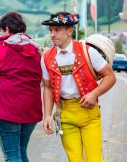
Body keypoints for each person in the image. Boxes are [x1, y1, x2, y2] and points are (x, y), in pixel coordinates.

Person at [41, 12, 116, 162]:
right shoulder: (46, 57)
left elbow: (111, 77)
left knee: (94, 159)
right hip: (65, 114)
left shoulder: (88, 51)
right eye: (50, 30)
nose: (52, 35)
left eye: (57, 30)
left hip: (88, 113)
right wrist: (47, 115)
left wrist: (94, 94)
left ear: (70, 31)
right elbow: (48, 87)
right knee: (74, 159)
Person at [0, 11, 43, 162]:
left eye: (0, 30)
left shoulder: (4, 48)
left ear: (6, 29)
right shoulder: (35, 49)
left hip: (7, 108)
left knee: (12, 156)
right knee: (21, 152)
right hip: (31, 107)